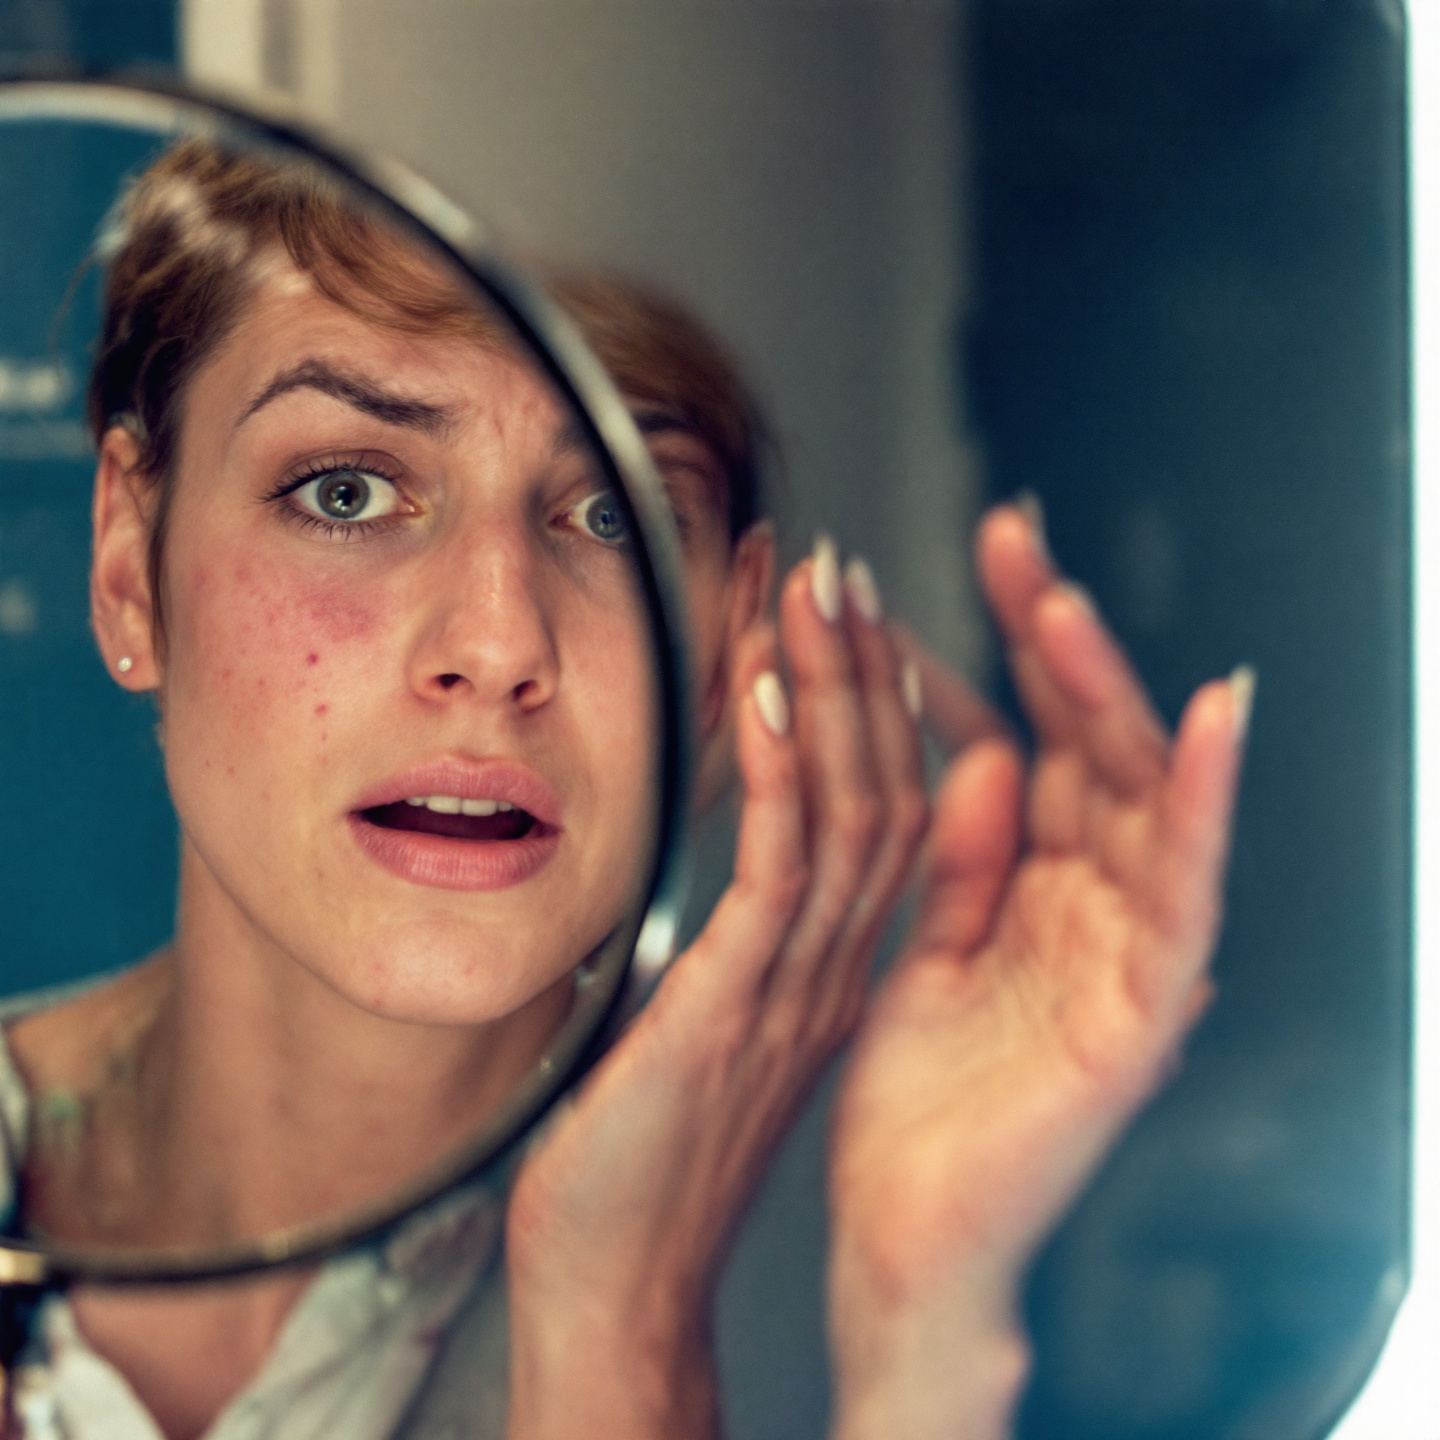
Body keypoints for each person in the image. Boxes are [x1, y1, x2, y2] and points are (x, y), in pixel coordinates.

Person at [0, 137, 1249, 1440]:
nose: (500, 645)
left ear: (726, 642)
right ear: (129, 569)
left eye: (614, 519)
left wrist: (913, 1331)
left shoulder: (812, 1251)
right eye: (347, 491)